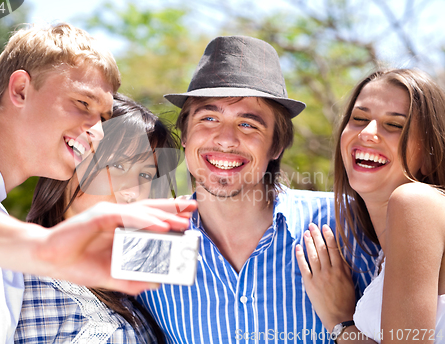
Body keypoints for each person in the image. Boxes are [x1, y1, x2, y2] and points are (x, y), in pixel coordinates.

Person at [0, 23, 195, 343]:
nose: (97, 131)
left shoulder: (7, 255)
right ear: (21, 90)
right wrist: (46, 249)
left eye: (103, 118)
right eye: (83, 103)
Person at [137, 35, 380, 343]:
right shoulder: (149, 239)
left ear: (277, 144)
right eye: (208, 118)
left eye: (248, 124)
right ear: (185, 136)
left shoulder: (347, 222)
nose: (225, 139)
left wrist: (343, 324)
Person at [14, 93, 183, 343]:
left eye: (146, 176)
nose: (133, 192)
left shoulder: (146, 279)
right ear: (66, 166)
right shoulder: (14, 279)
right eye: (118, 166)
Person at [295, 68, 445, 343]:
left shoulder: (416, 202)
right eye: (359, 118)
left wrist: (340, 322)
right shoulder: (383, 253)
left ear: (429, 154)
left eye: (395, 125)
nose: (367, 133)